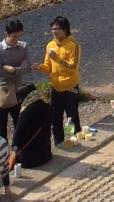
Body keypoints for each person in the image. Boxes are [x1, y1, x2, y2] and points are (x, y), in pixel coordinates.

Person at [33, 15, 82, 148]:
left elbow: (73, 67)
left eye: (57, 29)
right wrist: (40, 67)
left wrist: (58, 59)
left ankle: (77, 142)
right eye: (52, 29)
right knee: (55, 120)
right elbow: (48, 67)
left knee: (72, 118)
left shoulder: (73, 45)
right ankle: (59, 145)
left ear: (65, 29)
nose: (54, 32)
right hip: (56, 88)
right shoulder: (50, 46)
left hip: (70, 88)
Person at [0, 20, 32, 141]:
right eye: (15, 36)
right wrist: (20, 68)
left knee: (19, 123)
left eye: (19, 35)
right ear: (6, 34)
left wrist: (12, 70)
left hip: (18, 90)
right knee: (0, 127)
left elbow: (28, 68)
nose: (17, 38)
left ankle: (19, 151)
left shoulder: (23, 46)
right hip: (2, 91)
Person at [11, 88, 54, 169]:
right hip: (46, 154)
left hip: (30, 160)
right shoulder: (47, 106)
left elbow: (17, 139)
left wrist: (13, 149)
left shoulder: (26, 112)